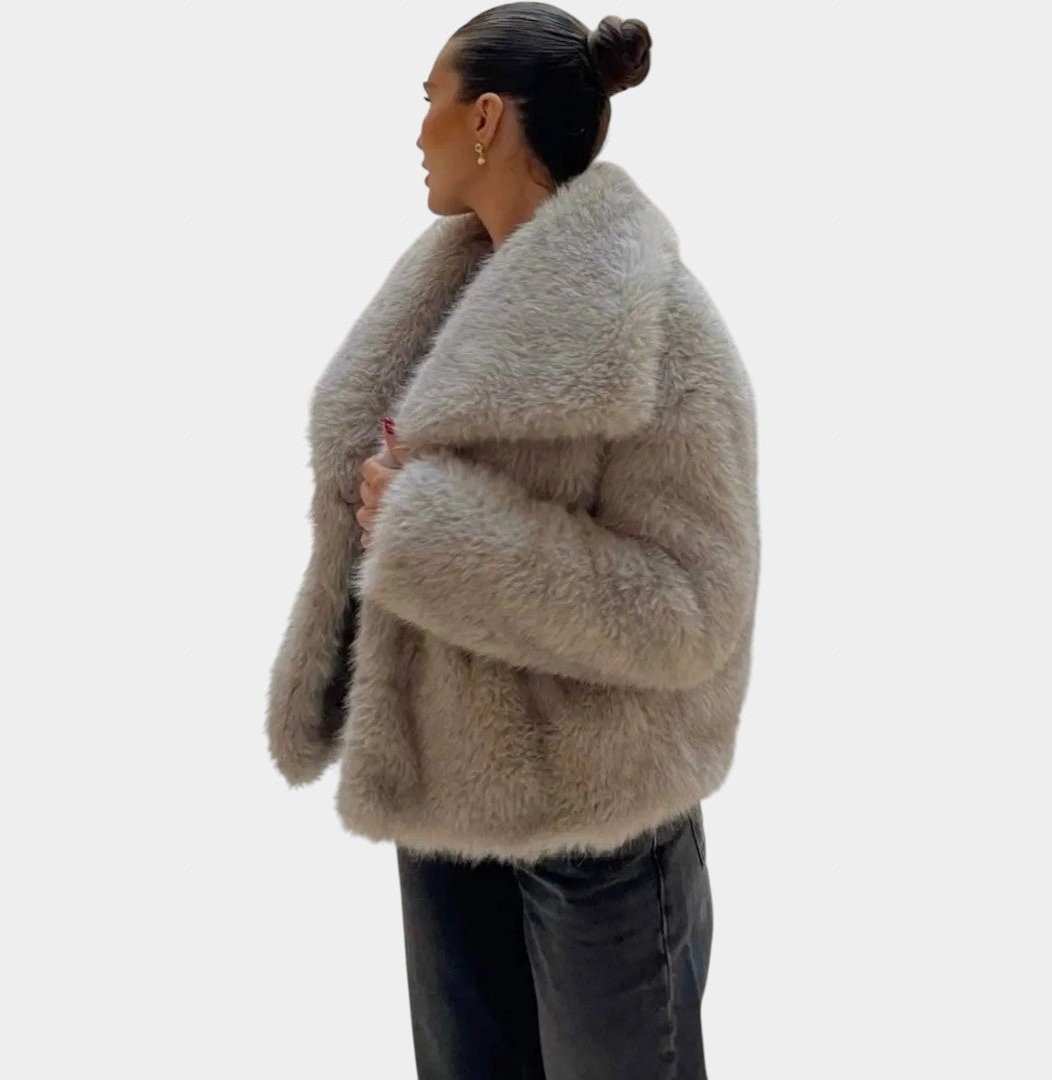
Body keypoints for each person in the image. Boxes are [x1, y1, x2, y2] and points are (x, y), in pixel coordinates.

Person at [265, 4, 760, 1077]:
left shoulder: (660, 328)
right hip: (444, 815)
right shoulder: (442, 296)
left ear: (486, 118)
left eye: (430, 102)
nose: (418, 132)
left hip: (599, 829)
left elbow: (690, 609)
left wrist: (432, 534)